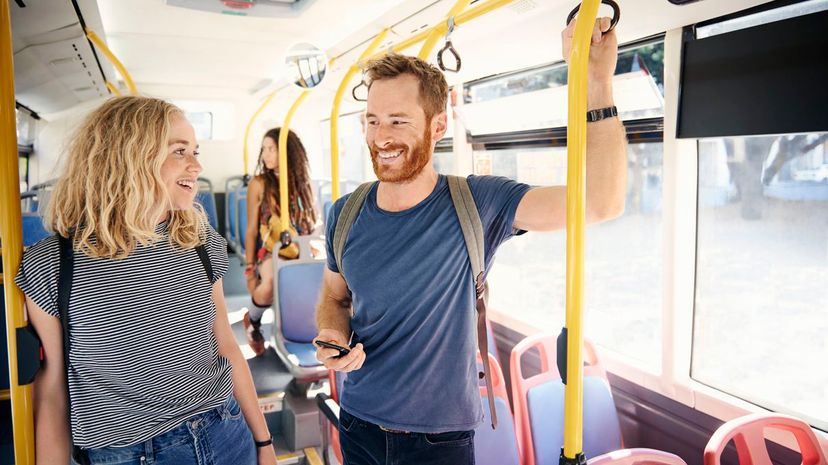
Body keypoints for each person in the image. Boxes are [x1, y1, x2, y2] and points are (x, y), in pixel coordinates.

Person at [313, 18, 626, 465]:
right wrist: (331, 332)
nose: (381, 137)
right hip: (358, 422)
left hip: (440, 441)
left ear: (437, 125)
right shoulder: (344, 213)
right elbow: (333, 296)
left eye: (398, 121)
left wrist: (596, 81)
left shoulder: (477, 203)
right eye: (373, 120)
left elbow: (600, 202)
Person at [16, 96, 278, 465]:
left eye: (195, 150)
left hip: (224, 431)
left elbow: (227, 347)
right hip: (129, 455)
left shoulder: (200, 241)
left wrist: (264, 443)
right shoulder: (54, 264)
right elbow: (53, 390)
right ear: (131, 156)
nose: (197, 165)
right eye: (180, 151)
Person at [242, 127, 317, 356]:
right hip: (271, 248)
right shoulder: (259, 183)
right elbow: (252, 228)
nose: (266, 154)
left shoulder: (302, 183)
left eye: (271, 149)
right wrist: (249, 268)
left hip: (299, 246)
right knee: (269, 284)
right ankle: (253, 321)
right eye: (264, 149)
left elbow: (308, 221)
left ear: (286, 152)